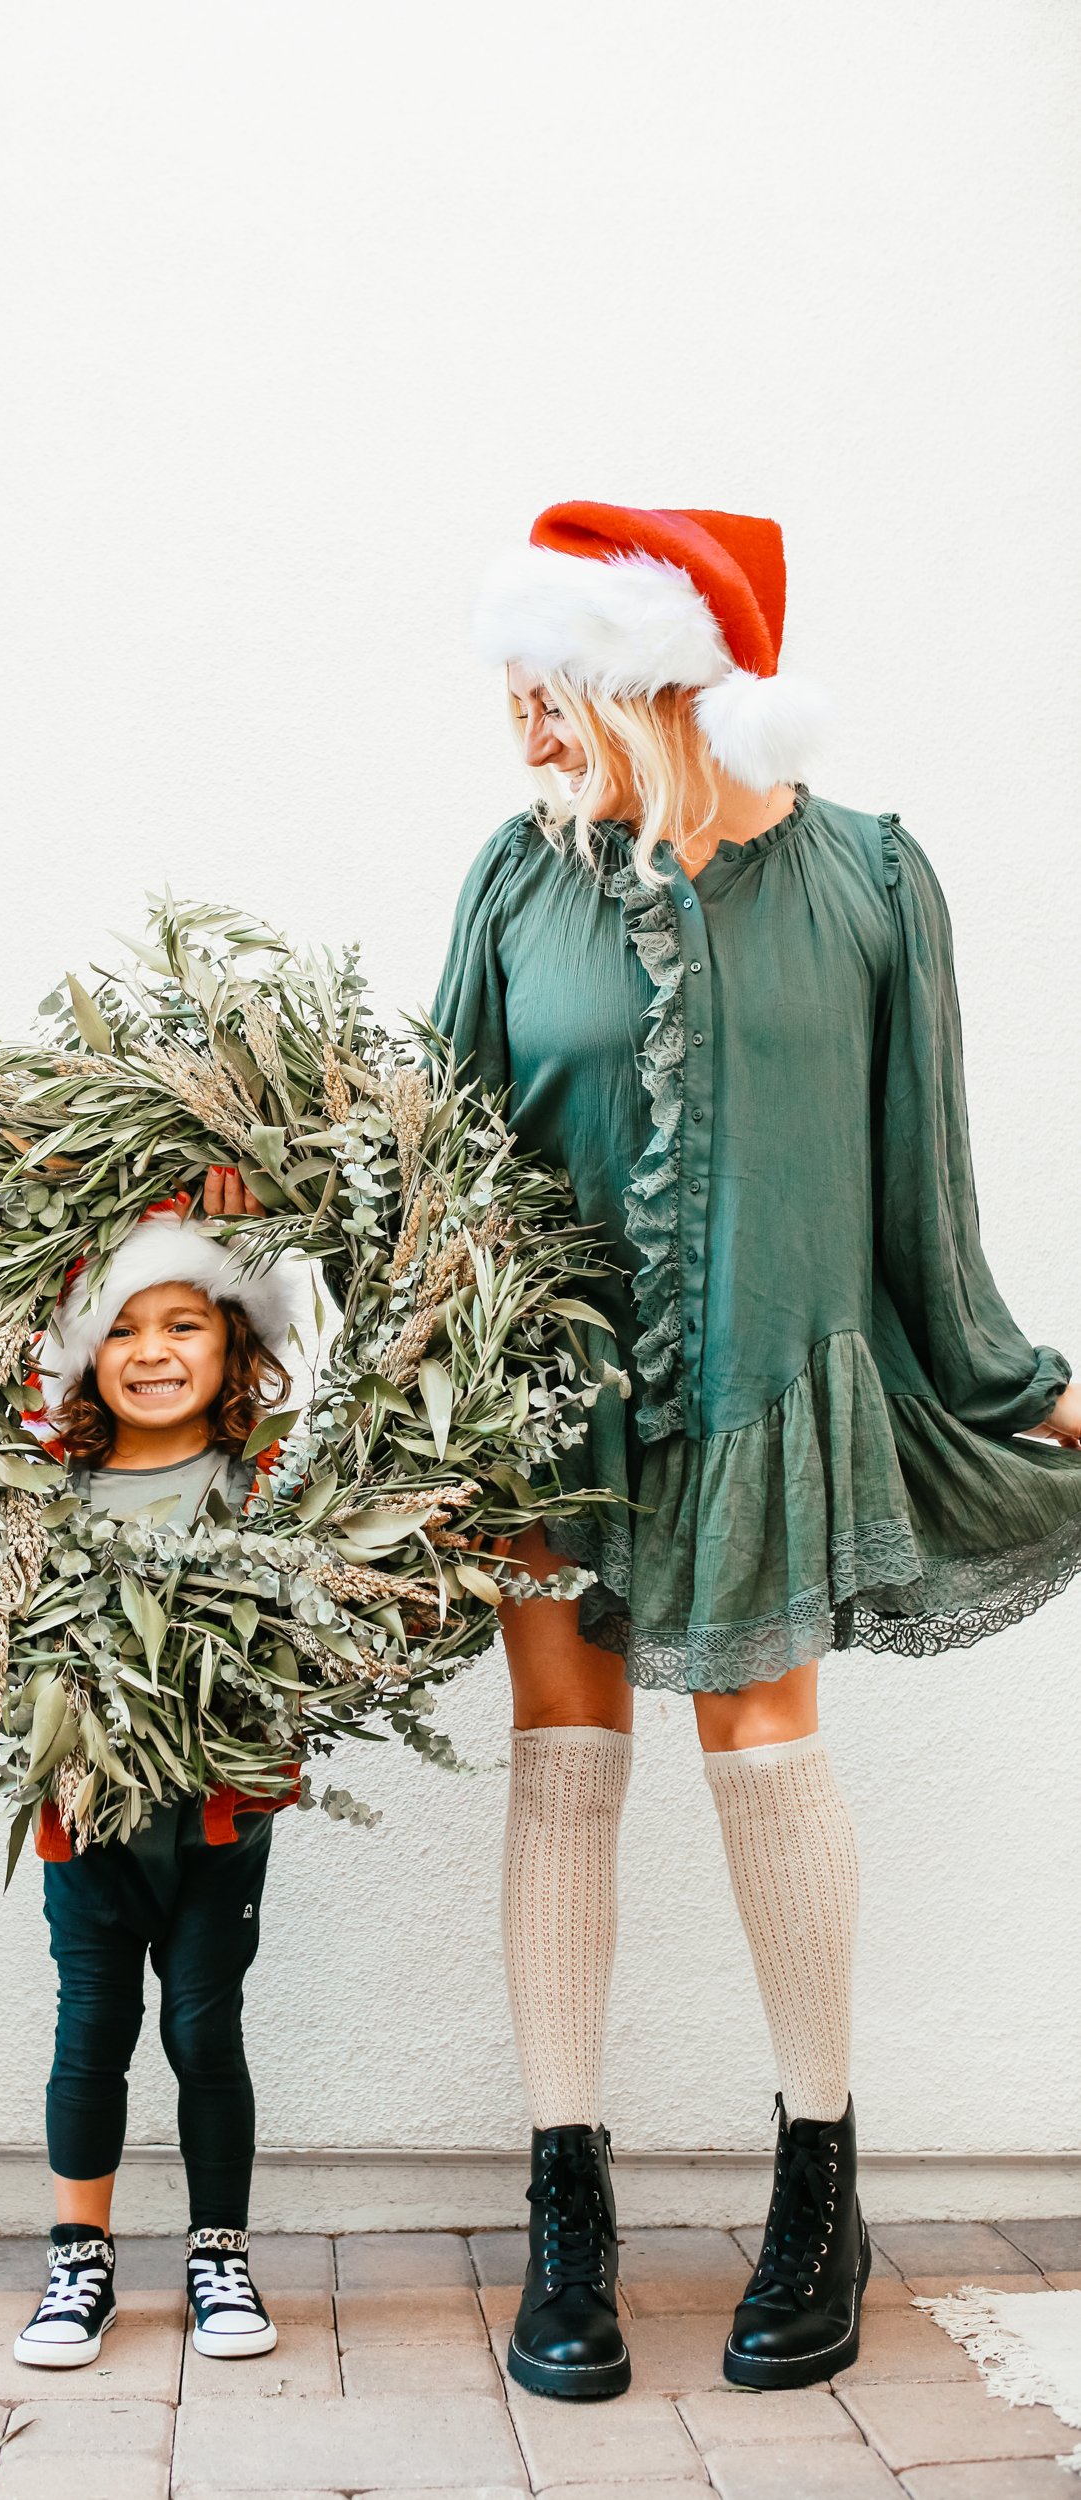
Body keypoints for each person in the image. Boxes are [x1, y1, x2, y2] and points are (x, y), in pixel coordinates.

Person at [433, 502, 1081, 2400]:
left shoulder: (873, 881)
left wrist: (1013, 1381)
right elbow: (432, 1183)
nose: (515, 716)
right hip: (551, 1431)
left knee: (764, 1764)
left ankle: (821, 2176)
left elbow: (918, 1198)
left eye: (543, 678)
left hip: (764, 1411)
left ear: (653, 667)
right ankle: (567, 2197)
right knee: (563, 1770)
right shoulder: (510, 881)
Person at [11, 1188, 304, 2370]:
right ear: (84, 1354)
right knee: (92, 2029)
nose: (150, 1353)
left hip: (218, 1819)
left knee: (203, 2026)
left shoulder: (264, 1483)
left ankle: (217, 2252)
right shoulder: (43, 1490)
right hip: (83, 1818)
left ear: (234, 1339)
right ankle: (77, 2262)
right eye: (122, 1329)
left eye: (182, 1324)